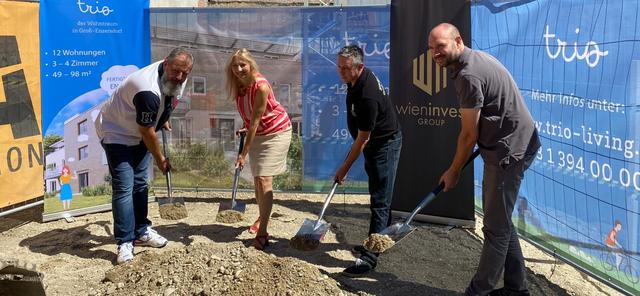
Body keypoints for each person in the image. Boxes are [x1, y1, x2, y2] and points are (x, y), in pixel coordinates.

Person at [428, 23, 541, 296]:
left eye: (440, 46)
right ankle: (517, 289)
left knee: (494, 229)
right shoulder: (474, 60)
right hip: (509, 144)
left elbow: (468, 134)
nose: (435, 53)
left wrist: (454, 170)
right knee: (500, 222)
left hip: (509, 151)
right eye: (431, 48)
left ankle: (478, 291)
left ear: (458, 41)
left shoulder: (468, 74)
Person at [95, 47, 193, 264]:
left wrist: (163, 117)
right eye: (176, 71)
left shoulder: (177, 77)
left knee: (140, 184)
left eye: (185, 73)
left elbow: (168, 100)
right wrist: (161, 160)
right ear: (166, 64)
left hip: (138, 130)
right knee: (124, 187)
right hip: (116, 131)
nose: (179, 77)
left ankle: (141, 232)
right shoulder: (146, 89)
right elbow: (147, 132)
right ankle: (124, 242)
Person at [333, 45, 402, 277]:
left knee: (380, 201)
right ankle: (381, 239)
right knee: (378, 193)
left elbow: (363, 138)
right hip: (375, 145)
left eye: (346, 68)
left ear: (359, 67)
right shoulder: (356, 79)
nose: (341, 72)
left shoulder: (368, 95)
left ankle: (369, 258)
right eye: (339, 67)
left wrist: (344, 168)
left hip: (384, 145)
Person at [226, 48, 292, 250]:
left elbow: (256, 121)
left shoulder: (261, 86)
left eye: (242, 65)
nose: (238, 69)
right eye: (235, 66)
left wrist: (243, 154)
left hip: (276, 133)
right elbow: (251, 119)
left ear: (251, 64)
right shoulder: (239, 84)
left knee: (264, 179)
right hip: (259, 132)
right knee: (257, 181)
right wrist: (245, 126)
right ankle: (262, 217)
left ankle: (263, 231)